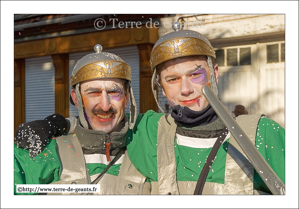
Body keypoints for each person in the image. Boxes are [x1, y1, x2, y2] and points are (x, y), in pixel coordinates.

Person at [15, 23, 285, 195]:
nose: (186, 89)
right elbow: (102, 129)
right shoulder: (151, 131)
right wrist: (57, 123)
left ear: (214, 73)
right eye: (172, 79)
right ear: (160, 87)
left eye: (196, 75)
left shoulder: (262, 134)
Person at [14, 44, 150, 195]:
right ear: (76, 99)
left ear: (126, 98)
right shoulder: (51, 152)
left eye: (113, 91)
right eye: (93, 92)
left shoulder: (149, 144)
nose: (105, 106)